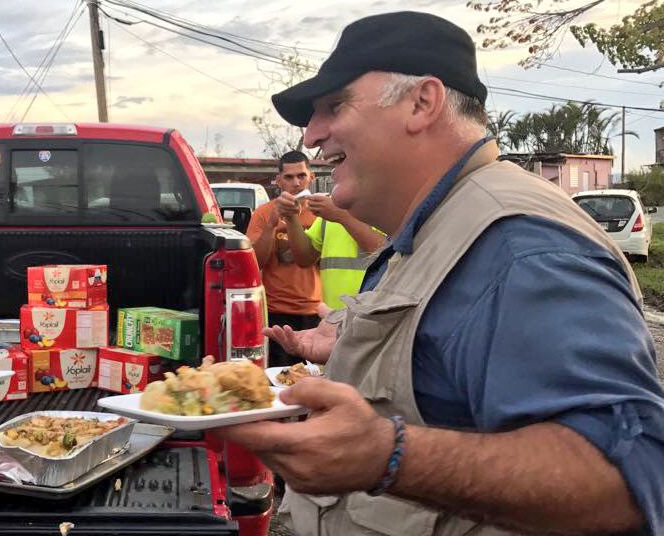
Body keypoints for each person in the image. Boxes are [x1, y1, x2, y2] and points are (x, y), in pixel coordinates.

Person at [216, 11, 663, 536]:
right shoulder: (434, 223)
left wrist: (389, 456)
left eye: (334, 106)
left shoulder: (522, 247)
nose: (312, 135)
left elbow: (628, 478)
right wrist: (353, 348)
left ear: (421, 103)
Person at [245, 151, 321, 366]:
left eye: (301, 176)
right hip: (277, 311)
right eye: (288, 177)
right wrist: (271, 224)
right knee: (280, 378)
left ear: (311, 177)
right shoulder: (263, 213)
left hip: (316, 311)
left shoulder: (322, 212)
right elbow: (255, 263)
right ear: (278, 181)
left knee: (315, 379)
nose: (296, 183)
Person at [286, 190, 385, 310]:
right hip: (333, 315)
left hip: (375, 315)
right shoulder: (330, 211)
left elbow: (386, 254)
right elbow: (304, 259)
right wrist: (291, 217)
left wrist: (341, 216)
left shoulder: (385, 206)